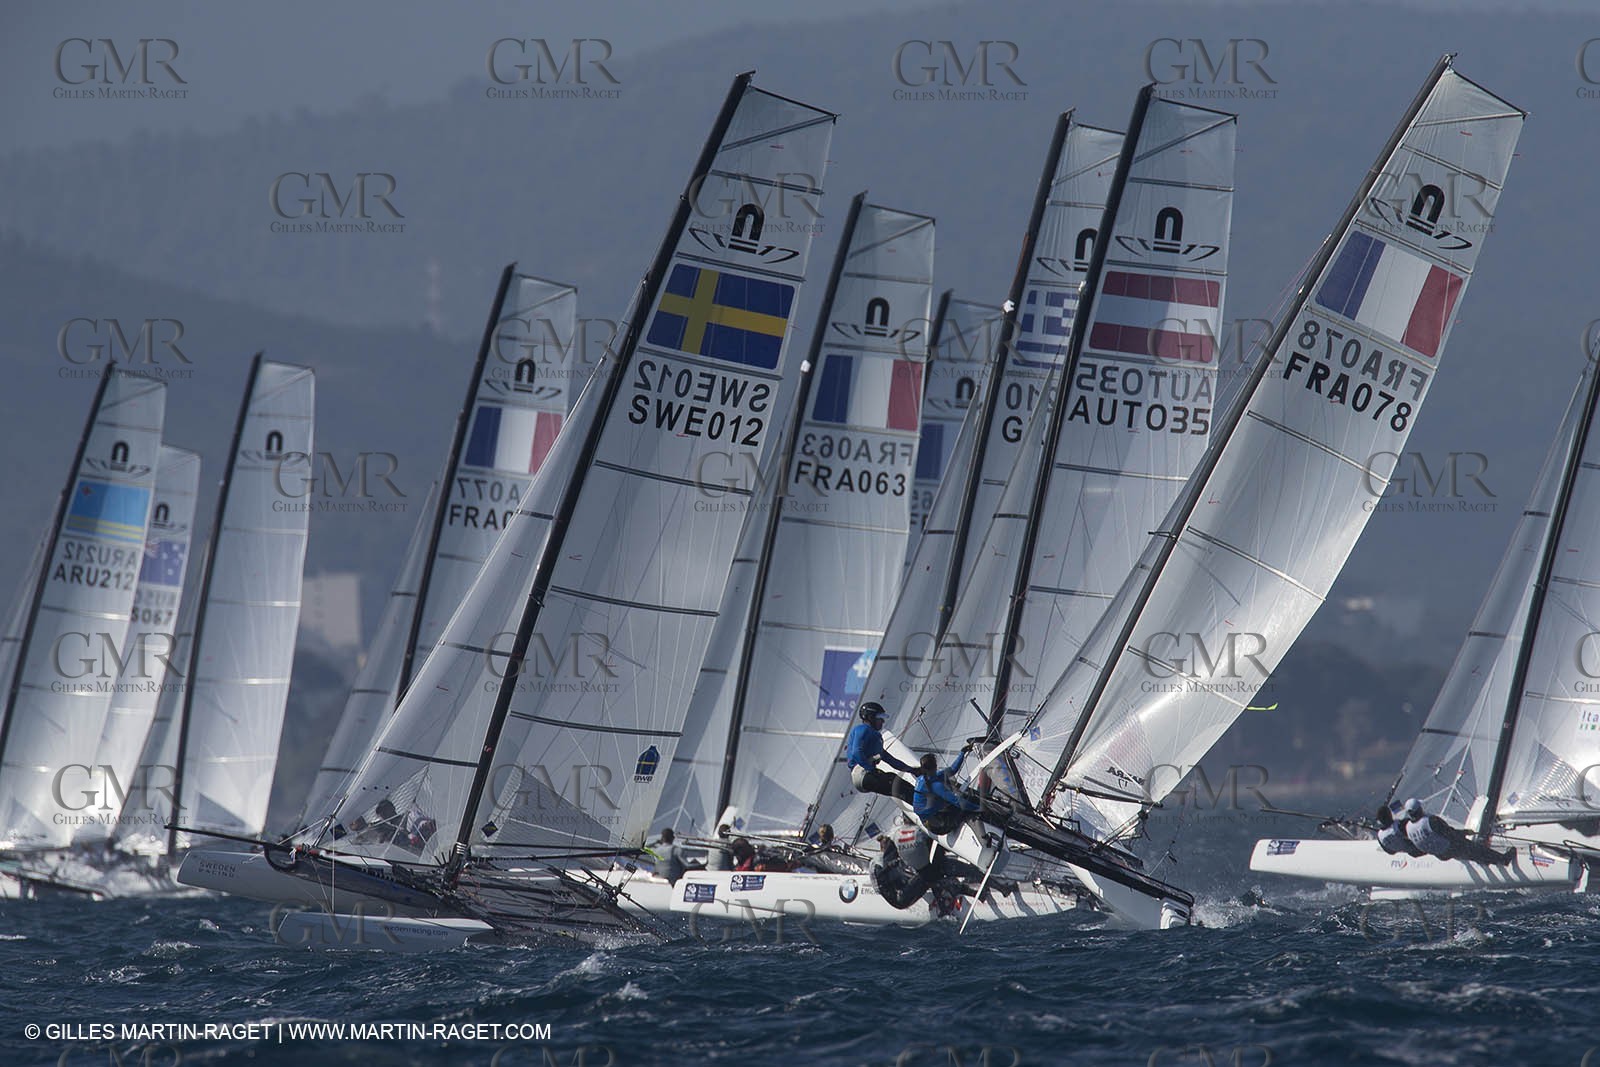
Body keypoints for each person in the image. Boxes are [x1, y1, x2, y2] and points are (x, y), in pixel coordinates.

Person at [1402, 798, 1513, 865]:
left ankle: (1481, 859)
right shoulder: (1431, 821)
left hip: (1439, 855)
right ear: (1419, 809)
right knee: (1474, 849)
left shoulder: (1408, 827)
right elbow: (1450, 832)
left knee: (1468, 852)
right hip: (1449, 848)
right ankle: (1503, 860)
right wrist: (1465, 832)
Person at [846, 702, 918, 801]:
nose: (883, 721)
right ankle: (926, 806)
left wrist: (913, 770)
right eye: (880, 717)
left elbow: (891, 760)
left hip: (866, 774)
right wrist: (871, 770)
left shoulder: (876, 738)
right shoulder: (863, 729)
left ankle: (926, 807)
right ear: (870, 717)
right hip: (861, 773)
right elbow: (856, 752)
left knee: (900, 785)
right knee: (898, 786)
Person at [913, 750, 980, 836]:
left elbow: (952, 770)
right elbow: (958, 802)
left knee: (961, 800)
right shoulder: (935, 785)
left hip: (930, 818)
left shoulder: (923, 778)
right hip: (938, 826)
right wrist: (978, 808)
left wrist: (962, 753)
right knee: (969, 802)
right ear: (935, 766)